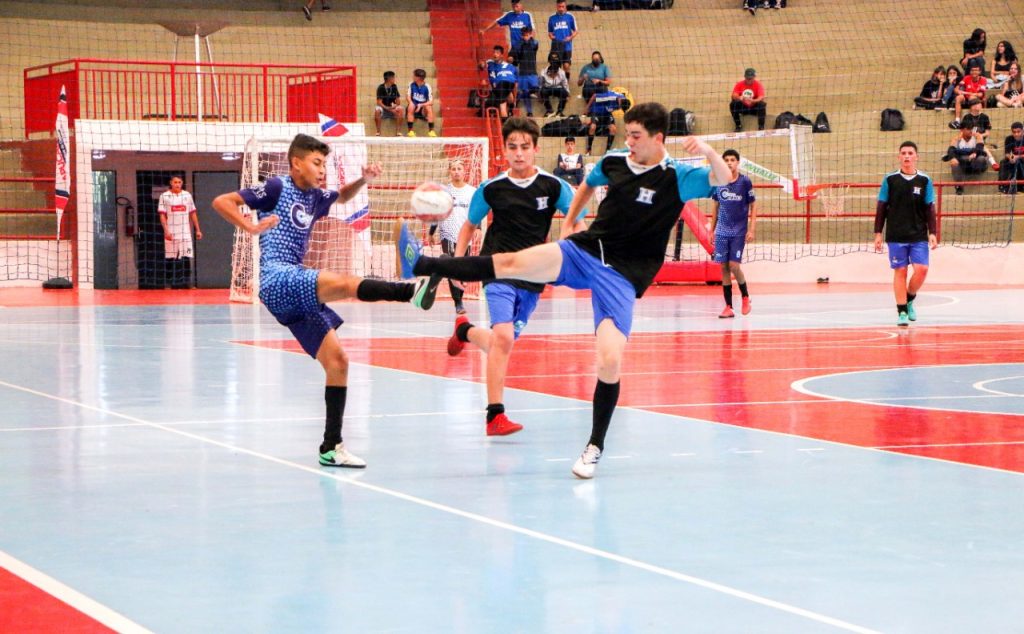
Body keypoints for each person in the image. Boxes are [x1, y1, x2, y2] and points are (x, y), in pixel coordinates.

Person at [396, 103, 731, 478]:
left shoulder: (679, 177)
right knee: (509, 262)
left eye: (635, 136)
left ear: (658, 139)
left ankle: (594, 446)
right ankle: (423, 265)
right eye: (627, 135)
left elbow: (724, 179)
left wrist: (708, 151)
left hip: (622, 275)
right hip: (585, 251)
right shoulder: (615, 162)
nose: (628, 142)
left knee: (608, 360)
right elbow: (588, 185)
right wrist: (571, 222)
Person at [212, 134, 439, 468]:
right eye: (317, 163)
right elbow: (222, 201)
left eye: (325, 164)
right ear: (296, 163)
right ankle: (410, 292)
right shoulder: (276, 187)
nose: (322, 170)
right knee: (344, 281)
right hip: (277, 277)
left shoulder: (317, 198)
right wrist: (251, 227)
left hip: (293, 286)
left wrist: (364, 179)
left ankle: (331, 447)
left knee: (338, 362)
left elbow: (343, 196)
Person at [441, 117, 574, 437]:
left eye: (525, 147)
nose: (518, 153)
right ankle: (494, 415)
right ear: (504, 150)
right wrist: (460, 265)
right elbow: (469, 226)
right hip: (498, 269)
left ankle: (466, 331)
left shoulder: (554, 186)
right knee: (503, 337)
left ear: (536, 149)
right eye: (512, 147)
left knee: (504, 342)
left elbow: (575, 222)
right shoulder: (491, 188)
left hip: (535, 273)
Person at [873, 142, 937, 327]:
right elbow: (881, 207)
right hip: (896, 234)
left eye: (910, 153)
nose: (907, 156)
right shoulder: (890, 179)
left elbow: (929, 208)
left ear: (916, 156)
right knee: (900, 271)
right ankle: (902, 311)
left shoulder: (925, 180)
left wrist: (933, 232)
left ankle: (909, 298)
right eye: (903, 153)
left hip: (918, 234)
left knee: (922, 269)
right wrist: (878, 233)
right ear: (898, 157)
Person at [709, 149, 756, 318]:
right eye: (726, 160)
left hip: (738, 231)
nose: (729, 162)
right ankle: (728, 306)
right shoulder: (718, 181)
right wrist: (712, 230)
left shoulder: (745, 182)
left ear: (737, 162)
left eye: (732, 160)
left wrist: (751, 229)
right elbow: (715, 206)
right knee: (724, 267)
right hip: (722, 230)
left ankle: (745, 296)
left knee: (734, 266)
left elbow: (753, 205)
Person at [429, 159, 477, 315]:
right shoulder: (444, 192)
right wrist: (431, 232)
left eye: (459, 168)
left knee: (463, 271)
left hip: (465, 235)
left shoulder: (471, 191)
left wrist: (480, 227)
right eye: (453, 168)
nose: (456, 171)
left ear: (464, 171)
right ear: (449, 171)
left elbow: (476, 212)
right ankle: (458, 303)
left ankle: (439, 273)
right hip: (447, 234)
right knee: (452, 269)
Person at [158, 176, 202, 289]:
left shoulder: (187, 195)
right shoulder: (164, 196)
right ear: (171, 183)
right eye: (175, 182)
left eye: (179, 182)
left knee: (186, 257)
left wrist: (198, 230)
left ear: (182, 183)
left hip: (185, 232)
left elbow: (193, 213)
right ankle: (168, 283)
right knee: (170, 257)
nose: (177, 184)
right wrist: (166, 230)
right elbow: (162, 215)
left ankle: (187, 283)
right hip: (171, 232)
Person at [942, 124, 997, 194]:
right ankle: (959, 187)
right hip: (964, 164)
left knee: (981, 158)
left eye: (971, 128)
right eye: (968, 129)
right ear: (962, 130)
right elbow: (951, 150)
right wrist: (952, 158)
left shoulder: (977, 136)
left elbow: (980, 148)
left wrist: (975, 153)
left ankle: (975, 173)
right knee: (954, 163)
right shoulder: (957, 139)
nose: (970, 131)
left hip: (976, 164)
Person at [584, 84, 623, 155]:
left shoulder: (619, 98)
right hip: (596, 112)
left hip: (607, 114)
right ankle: (589, 149)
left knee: (613, 129)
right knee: (592, 127)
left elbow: (621, 99)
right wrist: (587, 108)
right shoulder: (603, 96)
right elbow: (594, 96)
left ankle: (608, 151)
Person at [483, 46, 519, 119]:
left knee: (502, 104)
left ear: (502, 55)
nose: (495, 54)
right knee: (507, 95)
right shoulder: (490, 62)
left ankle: (504, 123)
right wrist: (482, 65)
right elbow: (482, 64)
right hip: (502, 86)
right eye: (494, 52)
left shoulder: (509, 66)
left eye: (497, 53)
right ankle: (510, 109)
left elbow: (515, 84)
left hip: (500, 86)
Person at [512, 27, 540, 117]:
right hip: (523, 72)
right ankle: (529, 111)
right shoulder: (518, 44)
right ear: (521, 35)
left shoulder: (534, 43)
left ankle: (520, 96)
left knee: (535, 87)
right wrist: (523, 41)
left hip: (532, 71)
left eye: (528, 35)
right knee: (525, 92)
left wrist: (528, 39)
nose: (526, 37)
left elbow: (534, 45)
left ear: (531, 34)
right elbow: (517, 50)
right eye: (524, 35)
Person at [949, 64, 987, 129]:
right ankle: (957, 121)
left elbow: (980, 94)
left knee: (972, 98)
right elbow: (956, 89)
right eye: (972, 70)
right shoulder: (966, 78)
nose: (974, 72)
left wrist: (969, 93)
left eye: (976, 70)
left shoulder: (983, 80)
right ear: (970, 72)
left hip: (977, 101)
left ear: (979, 72)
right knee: (959, 97)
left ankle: (972, 122)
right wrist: (958, 91)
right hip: (967, 98)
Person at [729, 68, 767, 132]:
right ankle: (738, 126)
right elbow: (733, 95)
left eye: (750, 78)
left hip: (754, 108)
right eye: (747, 78)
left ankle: (761, 127)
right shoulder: (739, 84)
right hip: (743, 108)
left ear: (754, 77)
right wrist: (739, 97)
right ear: (745, 77)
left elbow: (761, 97)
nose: (749, 80)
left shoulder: (758, 85)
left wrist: (753, 101)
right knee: (733, 104)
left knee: (762, 104)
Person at [547, 1, 578, 73]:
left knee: (566, 66)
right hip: (556, 46)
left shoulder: (570, 16)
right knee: (555, 66)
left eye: (562, 6)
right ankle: (556, 83)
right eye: (559, 6)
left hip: (567, 46)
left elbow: (576, 31)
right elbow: (550, 32)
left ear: (565, 6)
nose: (561, 8)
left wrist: (570, 38)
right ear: (556, 6)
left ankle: (566, 81)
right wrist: (551, 36)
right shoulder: (551, 18)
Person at [406, 68, 437, 137]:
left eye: (414, 76)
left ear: (418, 78)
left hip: (423, 108)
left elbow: (431, 102)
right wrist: (410, 102)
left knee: (428, 107)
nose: (412, 77)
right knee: (410, 106)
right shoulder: (411, 84)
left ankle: (431, 131)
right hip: (414, 106)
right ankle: (410, 131)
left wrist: (421, 105)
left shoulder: (427, 86)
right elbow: (408, 96)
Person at [374, 71, 403, 136]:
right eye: (393, 77)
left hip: (392, 107)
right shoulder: (381, 87)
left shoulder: (394, 86)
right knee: (377, 110)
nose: (394, 79)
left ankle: (398, 131)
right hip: (383, 108)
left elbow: (398, 102)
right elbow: (379, 102)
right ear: (389, 79)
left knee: (400, 109)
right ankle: (378, 132)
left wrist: (394, 106)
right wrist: (389, 109)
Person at [999, 121, 1024, 193]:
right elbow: (1006, 153)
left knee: (1019, 162)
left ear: (1022, 131)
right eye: (1014, 132)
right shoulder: (1009, 139)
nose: (1016, 134)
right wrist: (1010, 157)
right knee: (1003, 162)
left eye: (1018, 132)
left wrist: (1018, 157)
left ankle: (1021, 185)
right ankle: (1003, 186)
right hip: (1015, 159)